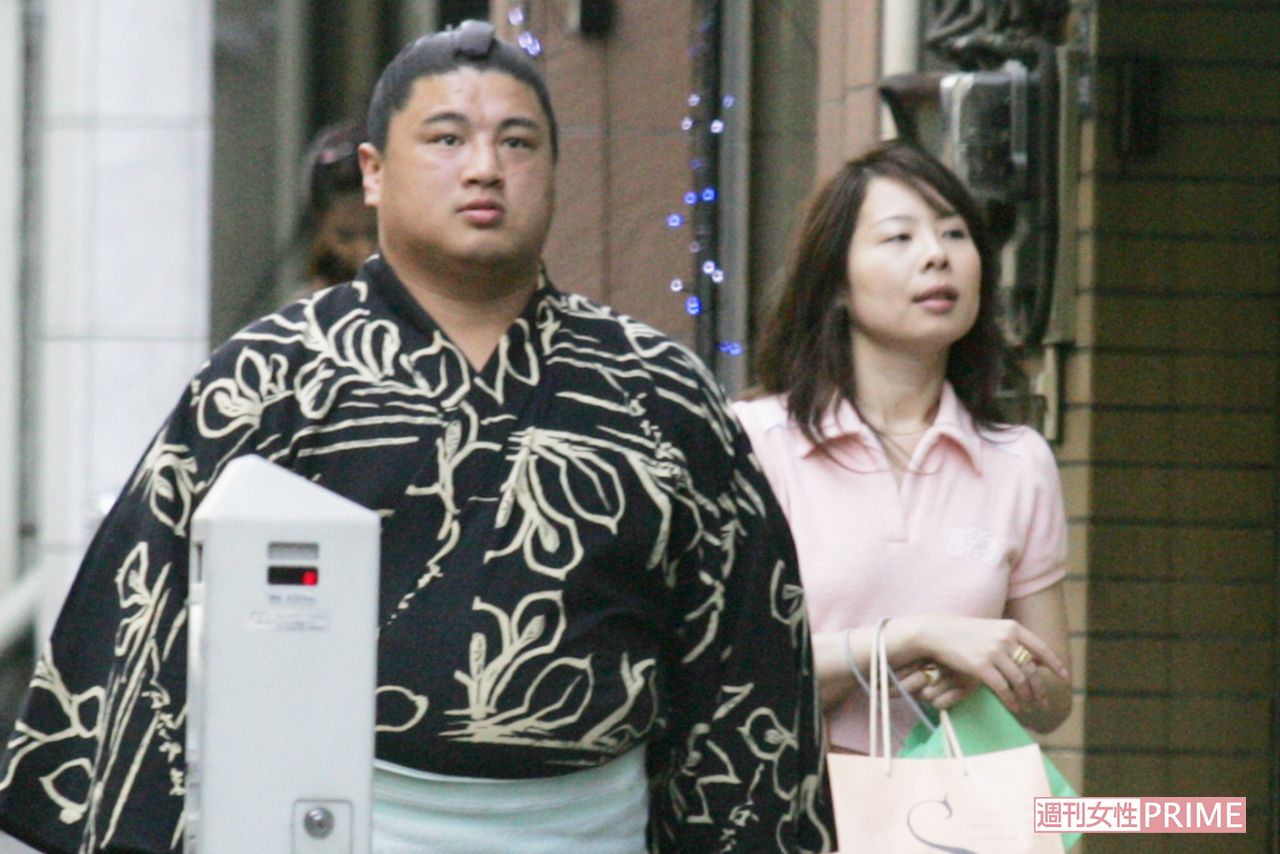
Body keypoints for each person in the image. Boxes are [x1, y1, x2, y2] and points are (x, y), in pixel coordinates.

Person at [0, 21, 833, 854]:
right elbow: (144, 620)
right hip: (318, 825)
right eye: (447, 139)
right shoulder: (267, 378)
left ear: (554, 170)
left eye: (518, 142)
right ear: (373, 171)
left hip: (586, 828)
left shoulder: (659, 387)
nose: (485, 167)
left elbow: (744, 655)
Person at [733, 141, 1072, 763]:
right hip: (788, 804)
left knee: (1194, 812)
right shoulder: (755, 441)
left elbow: (1051, 703)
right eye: (899, 237)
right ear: (836, 283)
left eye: (954, 233)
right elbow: (729, 671)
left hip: (951, 810)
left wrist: (987, 669)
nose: (937, 255)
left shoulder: (1019, 462)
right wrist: (908, 639)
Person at [300, 121, 378, 290]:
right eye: (345, 236)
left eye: (375, 233)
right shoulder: (313, 304)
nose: (364, 250)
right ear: (322, 230)